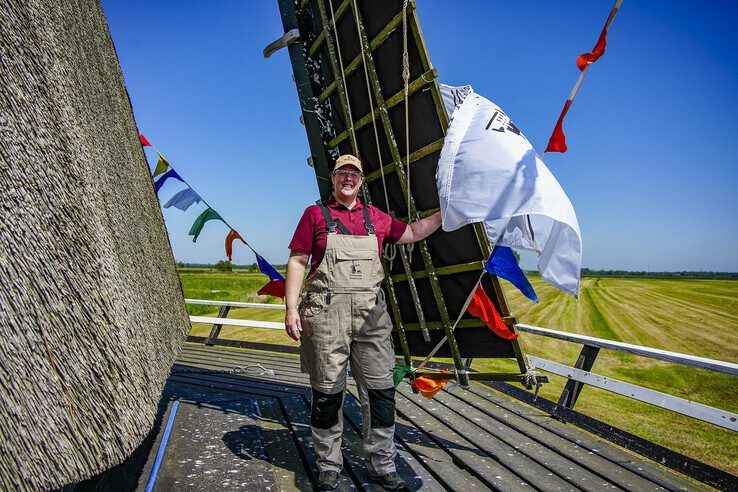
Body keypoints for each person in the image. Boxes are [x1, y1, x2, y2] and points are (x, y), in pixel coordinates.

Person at [285, 154, 441, 491]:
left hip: (371, 319)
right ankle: (329, 466)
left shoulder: (376, 219)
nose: (348, 178)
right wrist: (290, 307)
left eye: (354, 174)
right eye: (343, 173)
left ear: (361, 180)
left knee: (381, 393)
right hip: (325, 318)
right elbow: (298, 260)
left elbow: (413, 232)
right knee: (327, 395)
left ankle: (382, 465)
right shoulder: (315, 215)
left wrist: (446, 214)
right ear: (334, 178)